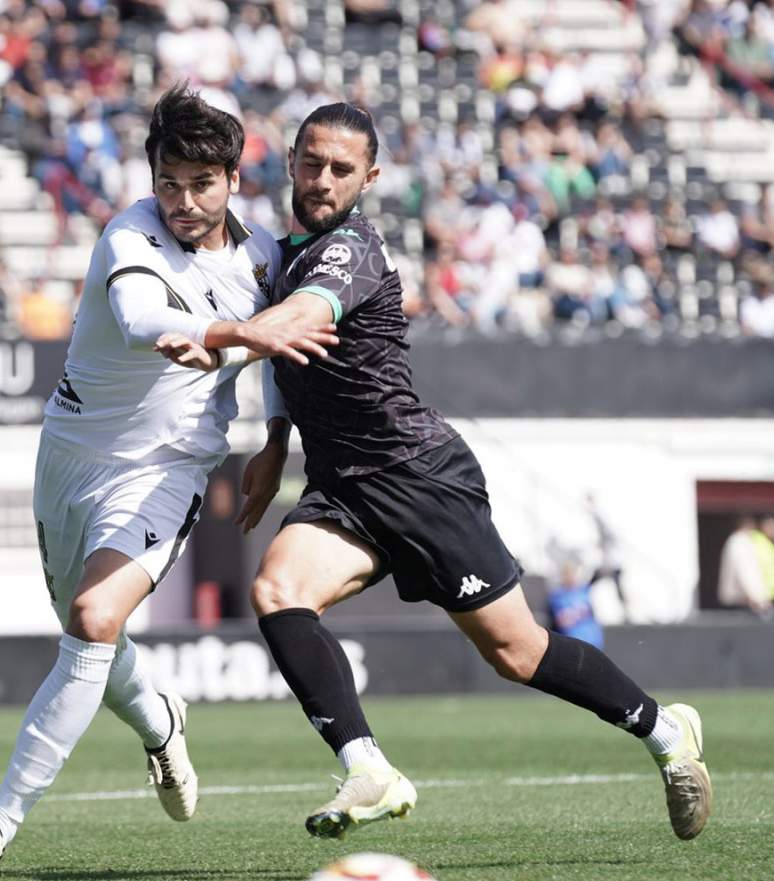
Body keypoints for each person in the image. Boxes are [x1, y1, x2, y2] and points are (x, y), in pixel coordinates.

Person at [163, 103, 711, 842]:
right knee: (276, 589)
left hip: (419, 477)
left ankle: (666, 736)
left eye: (341, 170)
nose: (323, 180)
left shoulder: (348, 251)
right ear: (290, 160)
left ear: (369, 178)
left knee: (517, 654)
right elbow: (293, 359)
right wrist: (273, 441)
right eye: (312, 163)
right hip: (341, 485)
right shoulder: (285, 249)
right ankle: (368, 768)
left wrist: (222, 343)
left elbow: (298, 322)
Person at [0, 86, 338, 881]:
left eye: (200, 183)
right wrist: (239, 334)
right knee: (87, 629)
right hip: (69, 457)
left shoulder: (263, 257)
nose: (182, 202)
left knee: (92, 618)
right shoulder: (131, 234)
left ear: (232, 178)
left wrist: (273, 440)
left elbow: (283, 358)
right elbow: (137, 321)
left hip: (168, 467)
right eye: (168, 182)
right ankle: (161, 722)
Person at [718, 515, 771, 615]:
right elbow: (744, 572)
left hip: (740, 600)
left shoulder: (736, 542)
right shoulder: (740, 543)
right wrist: (755, 596)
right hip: (741, 601)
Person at [547, 562, 604, 650]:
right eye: (567, 574)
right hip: (575, 644)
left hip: (593, 641)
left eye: (573, 574)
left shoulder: (584, 591)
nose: (571, 577)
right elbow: (561, 621)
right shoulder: (558, 596)